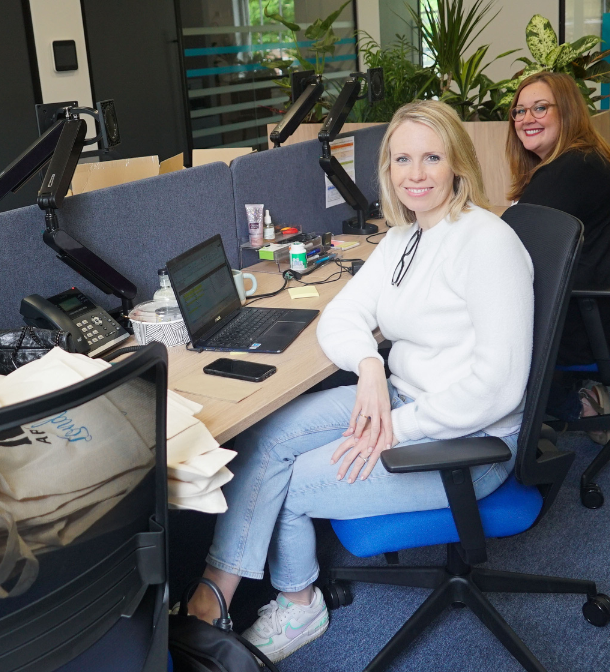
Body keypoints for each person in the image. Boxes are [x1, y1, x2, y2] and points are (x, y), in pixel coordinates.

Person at [185, 100, 534, 664]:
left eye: (431, 158)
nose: (415, 174)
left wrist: (393, 425)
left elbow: (497, 389)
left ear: (458, 165)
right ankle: (214, 598)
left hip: (471, 441)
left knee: (295, 485)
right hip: (404, 400)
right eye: (402, 159)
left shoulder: (487, 244)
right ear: (388, 169)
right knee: (265, 437)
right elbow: (341, 316)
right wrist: (370, 365)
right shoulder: (405, 238)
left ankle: (299, 604)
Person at [506, 72, 610, 439]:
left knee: (502, 331)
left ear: (567, 111)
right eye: (519, 111)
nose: (526, 118)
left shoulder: (571, 168)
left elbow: (509, 243)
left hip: (608, 319)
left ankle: (577, 407)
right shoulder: (582, 159)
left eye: (540, 108)